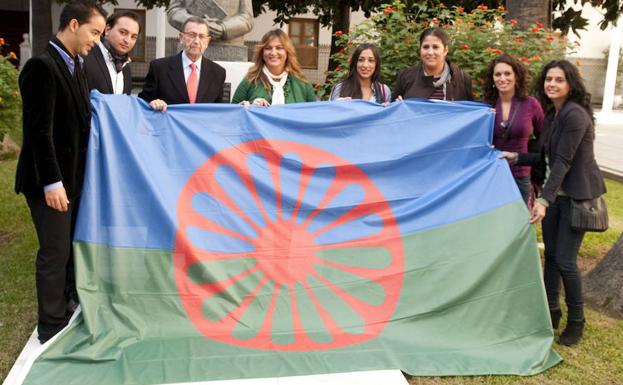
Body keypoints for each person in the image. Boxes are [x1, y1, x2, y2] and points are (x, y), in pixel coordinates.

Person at [15, 0, 106, 344]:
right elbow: (40, 133)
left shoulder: (77, 65)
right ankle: (50, 325)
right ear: (72, 24)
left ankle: (66, 306)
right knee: (55, 252)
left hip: (72, 179)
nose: (96, 40)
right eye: (94, 31)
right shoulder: (41, 67)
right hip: (47, 182)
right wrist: (53, 183)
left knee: (68, 247)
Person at [500, 60, 606, 346]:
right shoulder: (552, 114)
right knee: (553, 259)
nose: (552, 84)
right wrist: (516, 157)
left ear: (570, 84)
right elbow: (546, 158)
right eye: (549, 79)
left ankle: (576, 321)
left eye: (559, 80)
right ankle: (550, 312)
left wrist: (543, 199)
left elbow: (563, 162)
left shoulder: (575, 115)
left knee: (567, 261)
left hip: (574, 197)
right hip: (555, 197)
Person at [483, 54, 543, 204]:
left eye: (507, 73)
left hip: (520, 175)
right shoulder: (485, 106)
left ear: (516, 76)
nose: (502, 78)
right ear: (492, 79)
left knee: (519, 224)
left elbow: (545, 136)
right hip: (491, 175)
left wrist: (534, 158)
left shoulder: (531, 104)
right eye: (497, 74)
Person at [138, 16, 226, 111]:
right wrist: (153, 103)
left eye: (201, 36)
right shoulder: (159, 68)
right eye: (192, 35)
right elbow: (143, 102)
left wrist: (240, 107)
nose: (196, 41)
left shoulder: (218, 73)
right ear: (181, 37)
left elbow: (220, 110)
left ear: (207, 41)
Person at [231, 29, 316, 106]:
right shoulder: (250, 80)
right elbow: (232, 112)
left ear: (287, 52)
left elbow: (313, 114)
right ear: (262, 52)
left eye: (279, 48)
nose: (273, 53)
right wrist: (249, 106)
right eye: (268, 48)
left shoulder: (302, 82)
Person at [394, 27, 472, 101]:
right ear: (420, 49)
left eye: (435, 47)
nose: (430, 52)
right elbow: (393, 111)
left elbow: (469, 112)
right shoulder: (405, 77)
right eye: (425, 47)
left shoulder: (462, 79)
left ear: (445, 50)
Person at [84, 10, 141, 95]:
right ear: (107, 29)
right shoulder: (85, 58)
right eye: (122, 32)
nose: (127, 40)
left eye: (133, 37)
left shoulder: (126, 68)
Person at [167, 0, 253, 46]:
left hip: (230, 46)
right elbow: (174, 11)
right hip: (191, 45)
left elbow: (247, 18)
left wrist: (223, 29)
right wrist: (196, 24)